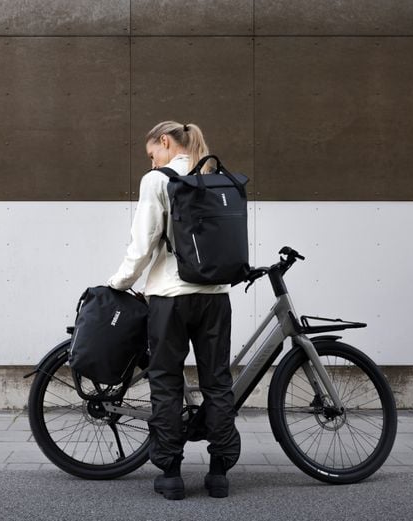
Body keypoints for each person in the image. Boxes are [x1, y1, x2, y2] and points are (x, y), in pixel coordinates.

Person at [107, 121, 241, 500]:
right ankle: (219, 474)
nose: (152, 164)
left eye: (153, 154)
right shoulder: (213, 177)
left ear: (165, 142)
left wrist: (116, 284)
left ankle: (170, 474)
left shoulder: (157, 182)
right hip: (215, 295)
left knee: (166, 383)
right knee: (217, 382)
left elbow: (143, 244)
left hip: (170, 297)